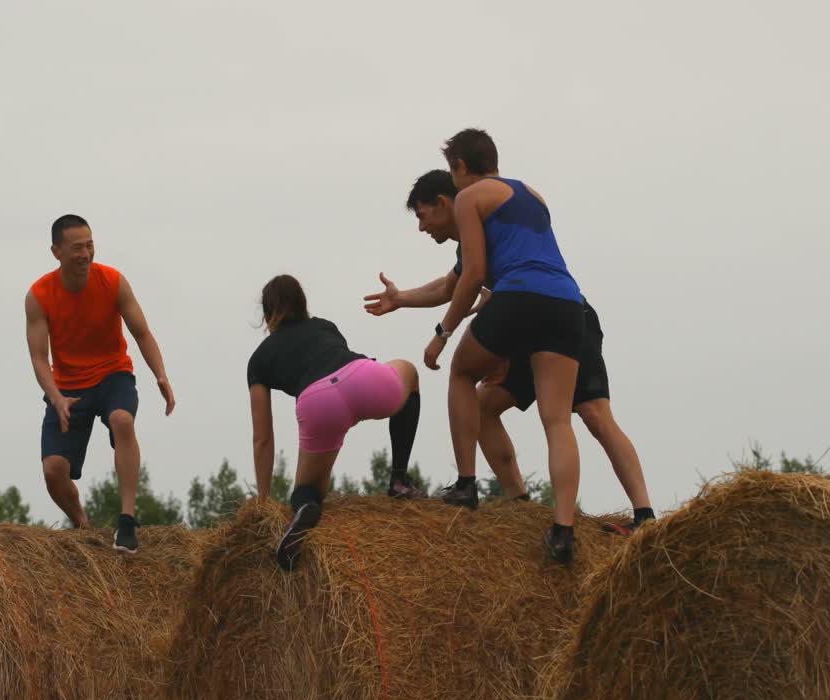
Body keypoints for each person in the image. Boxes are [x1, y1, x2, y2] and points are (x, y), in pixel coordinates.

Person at [368, 169, 655, 535]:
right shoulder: (472, 236)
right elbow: (449, 286)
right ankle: (520, 505)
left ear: (443, 203)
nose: (422, 227)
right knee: (483, 406)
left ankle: (644, 515)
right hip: (527, 324)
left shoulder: (485, 216)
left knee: (594, 413)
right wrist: (401, 298)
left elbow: (477, 281)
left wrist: (444, 333)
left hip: (559, 316)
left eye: (423, 216)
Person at [421, 129, 586, 564]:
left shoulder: (468, 197)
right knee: (557, 420)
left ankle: (466, 484)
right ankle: (563, 530)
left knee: (461, 373)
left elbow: (474, 274)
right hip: (569, 303)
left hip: (519, 296)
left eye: (452, 170)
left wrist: (442, 333)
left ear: (460, 166)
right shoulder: (533, 194)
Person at [248, 275, 423, 571]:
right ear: (302, 303)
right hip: (363, 377)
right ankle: (399, 479)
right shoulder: (324, 326)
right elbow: (339, 371)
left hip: (318, 403)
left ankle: (305, 505)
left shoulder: (259, 360)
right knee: (409, 371)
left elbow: (262, 437)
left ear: (267, 314)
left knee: (309, 489)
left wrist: (263, 503)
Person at [25, 214, 175, 553]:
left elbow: (142, 333)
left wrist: (160, 374)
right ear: (56, 252)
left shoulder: (113, 282)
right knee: (53, 471)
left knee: (122, 420)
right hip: (67, 387)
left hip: (112, 375)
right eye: (77, 248)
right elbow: (39, 358)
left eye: (90, 245)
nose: (86, 254)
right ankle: (83, 527)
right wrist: (56, 397)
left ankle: (127, 521)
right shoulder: (39, 295)